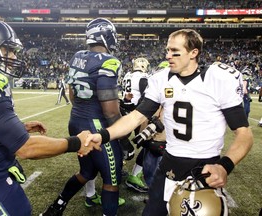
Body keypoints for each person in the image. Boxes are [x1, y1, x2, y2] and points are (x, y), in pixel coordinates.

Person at [85, 29, 253, 215]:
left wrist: (224, 166)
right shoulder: (161, 78)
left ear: (193, 53)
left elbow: (244, 133)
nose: (168, 55)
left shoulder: (217, 79)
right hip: (169, 164)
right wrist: (103, 136)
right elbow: (136, 116)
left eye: (175, 51)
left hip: (205, 167)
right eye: (167, 50)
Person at [0, 19, 99, 216]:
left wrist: (18, 128)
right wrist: (76, 142)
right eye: (8, 50)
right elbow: (26, 148)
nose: (13, 56)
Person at [41, 18, 127, 216]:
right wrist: (123, 138)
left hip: (77, 119)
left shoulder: (78, 56)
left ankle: (57, 206)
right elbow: (111, 111)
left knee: (86, 172)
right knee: (111, 180)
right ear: (106, 37)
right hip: (97, 125)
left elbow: (72, 94)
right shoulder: (109, 61)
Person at [120, 57, 150, 193]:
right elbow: (146, 97)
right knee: (148, 144)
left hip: (124, 112)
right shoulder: (143, 77)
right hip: (136, 115)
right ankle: (135, 175)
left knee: (120, 142)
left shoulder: (127, 75)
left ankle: (117, 169)